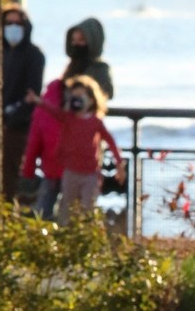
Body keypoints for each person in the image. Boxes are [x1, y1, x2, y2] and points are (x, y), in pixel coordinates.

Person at [26, 74, 126, 222]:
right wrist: (37, 101)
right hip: (70, 172)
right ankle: (66, 238)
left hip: (90, 174)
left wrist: (119, 163)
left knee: (88, 208)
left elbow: (111, 142)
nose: (77, 100)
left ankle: (87, 238)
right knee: (67, 207)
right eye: (74, 96)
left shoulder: (95, 122)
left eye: (81, 96)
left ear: (91, 99)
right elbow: (52, 110)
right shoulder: (68, 118)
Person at [2, 6, 45, 201]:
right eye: (8, 23)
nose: (13, 27)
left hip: (19, 126)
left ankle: (10, 212)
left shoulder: (34, 55)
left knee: (12, 175)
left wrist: (13, 115)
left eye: (17, 23)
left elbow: (31, 94)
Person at [19, 79, 66, 220]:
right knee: (70, 211)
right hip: (71, 170)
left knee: (43, 209)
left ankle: (42, 235)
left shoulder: (41, 111)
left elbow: (33, 146)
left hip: (50, 169)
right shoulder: (71, 112)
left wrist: (28, 172)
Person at [63, 17, 114, 99]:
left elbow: (107, 94)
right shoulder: (72, 66)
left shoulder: (99, 69)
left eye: (81, 40)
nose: (76, 45)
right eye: (74, 40)